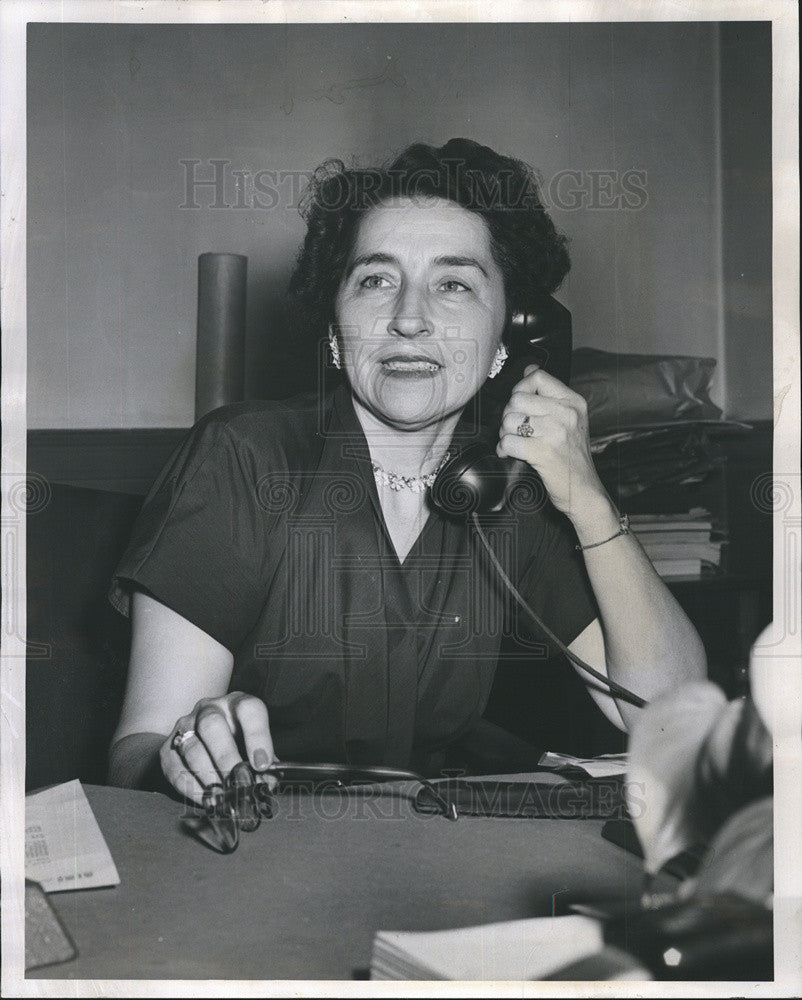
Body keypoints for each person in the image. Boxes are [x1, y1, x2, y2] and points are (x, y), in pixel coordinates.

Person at [107, 138, 706, 802]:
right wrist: (188, 750)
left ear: (507, 343)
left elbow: (671, 717)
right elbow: (138, 752)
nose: (409, 319)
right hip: (250, 854)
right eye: (377, 279)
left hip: (422, 868)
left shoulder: (506, 495)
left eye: (453, 284)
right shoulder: (245, 458)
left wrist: (590, 501)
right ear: (335, 333)